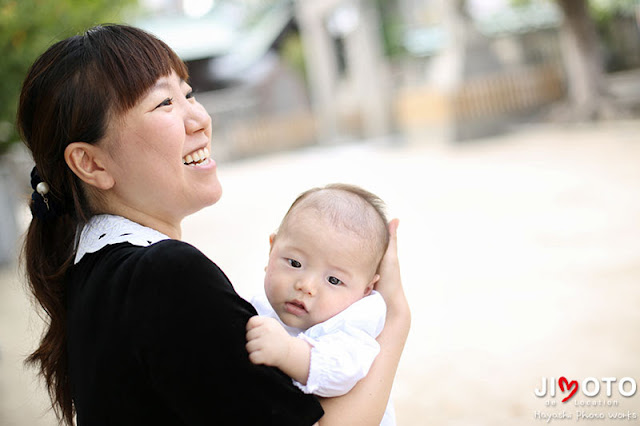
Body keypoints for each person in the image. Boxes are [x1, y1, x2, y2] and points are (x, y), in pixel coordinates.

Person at [18, 24, 410, 426]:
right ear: (92, 163)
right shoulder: (164, 275)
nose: (200, 119)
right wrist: (394, 320)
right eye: (163, 104)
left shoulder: (91, 271)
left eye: (188, 94)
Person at [246, 183, 397, 425]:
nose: (306, 286)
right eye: (294, 263)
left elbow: (341, 372)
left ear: (366, 290)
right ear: (271, 249)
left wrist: (288, 352)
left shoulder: (353, 324)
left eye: (334, 280)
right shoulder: (255, 305)